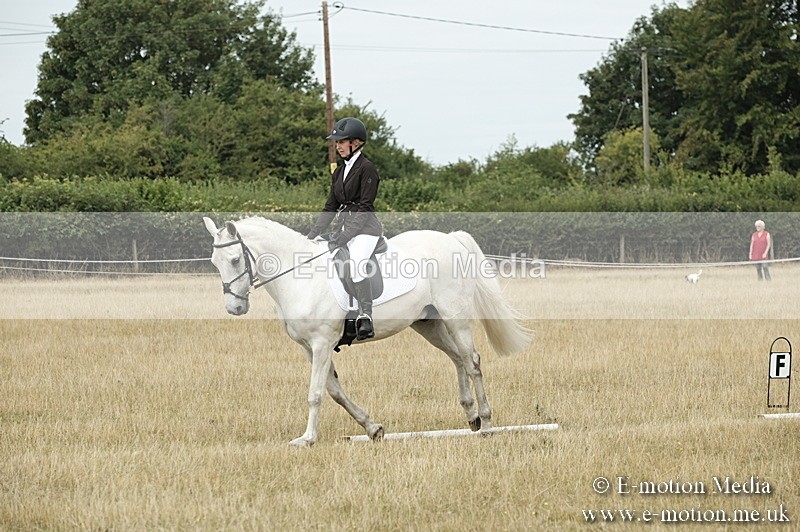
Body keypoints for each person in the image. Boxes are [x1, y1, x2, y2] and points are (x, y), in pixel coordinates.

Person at [307, 117, 383, 339]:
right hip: (345, 228)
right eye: (336, 143)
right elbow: (331, 206)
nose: (337, 146)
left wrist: (346, 236)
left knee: (357, 262)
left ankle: (365, 316)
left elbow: (365, 207)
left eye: (341, 142)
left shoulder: (367, 169)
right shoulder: (339, 172)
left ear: (356, 143)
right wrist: (313, 234)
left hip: (366, 229)